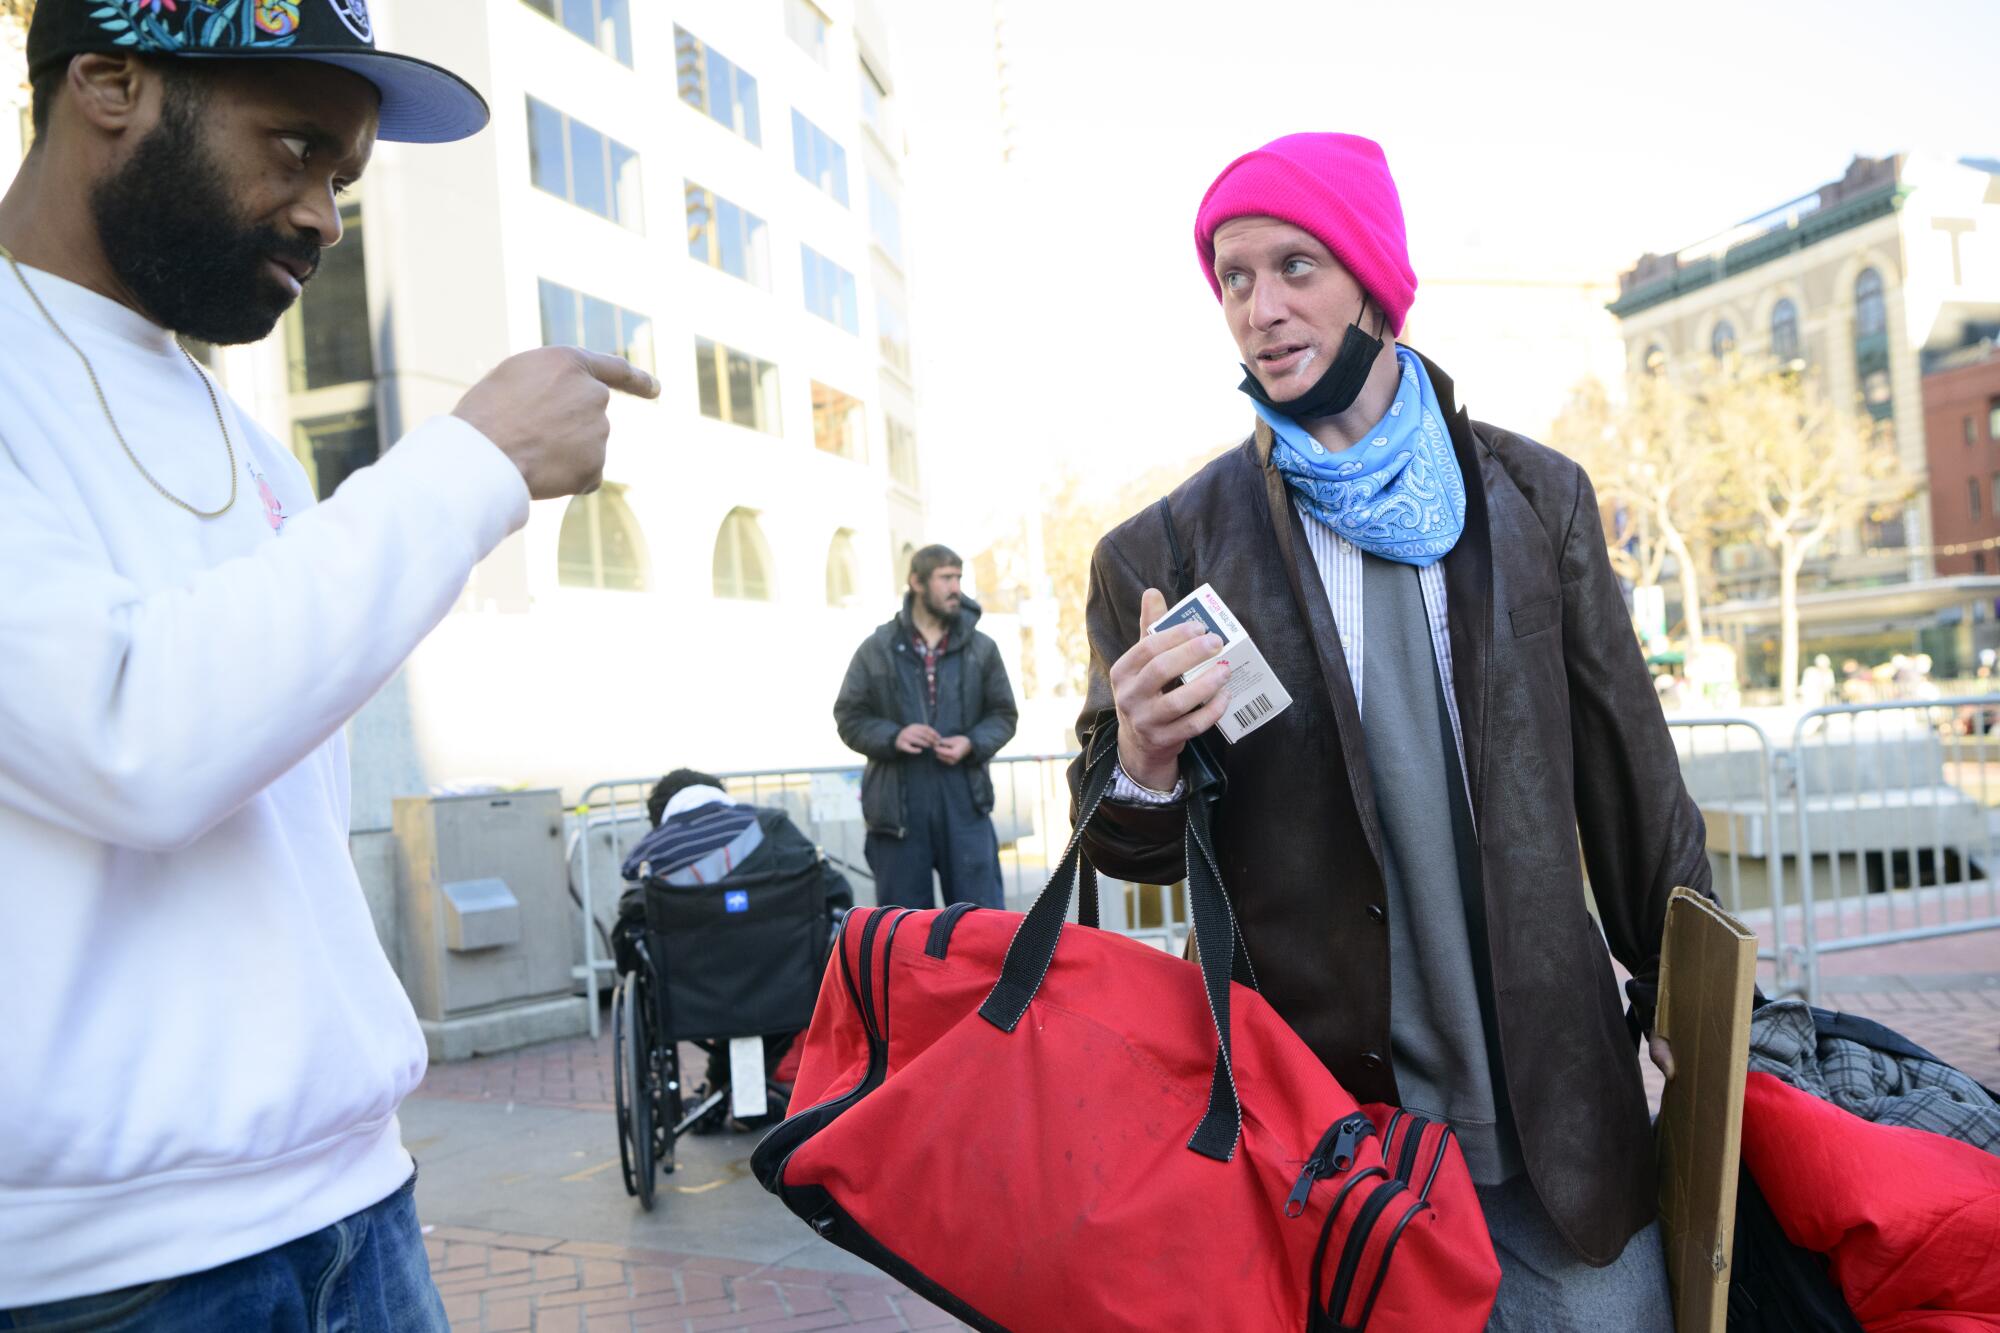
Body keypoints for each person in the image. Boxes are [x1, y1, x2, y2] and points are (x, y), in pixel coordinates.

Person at [0, 5, 658, 1326]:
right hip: (115, 1272)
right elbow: (130, 735)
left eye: (344, 180)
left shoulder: (243, 438)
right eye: (295, 149)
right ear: (110, 82)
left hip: (356, 1211)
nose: (322, 217)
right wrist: (473, 462)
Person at [1072, 133, 1710, 1330]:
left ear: (1371, 281)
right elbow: (1120, 844)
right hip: (1333, 1136)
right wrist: (1146, 762)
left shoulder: (1533, 499)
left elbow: (1636, 788)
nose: (1260, 309)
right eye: (1233, 278)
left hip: (1557, 1112)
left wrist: (1704, 1019)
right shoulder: (1158, 555)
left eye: (1294, 267)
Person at [616, 769, 853, 1129]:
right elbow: (836, 892)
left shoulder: (655, 854)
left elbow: (629, 935)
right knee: (784, 971)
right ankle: (744, 1096)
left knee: (718, 982)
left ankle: (720, 1091)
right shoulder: (774, 827)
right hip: (788, 988)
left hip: (694, 996)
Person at [834, 545, 1018, 909]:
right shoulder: (877, 648)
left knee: (979, 924)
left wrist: (971, 742)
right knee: (903, 931)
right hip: (898, 810)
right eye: (945, 578)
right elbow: (849, 716)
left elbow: (1004, 715)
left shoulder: (982, 649)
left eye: (958, 578)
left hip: (965, 803)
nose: (955, 588)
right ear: (916, 582)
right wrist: (893, 736)